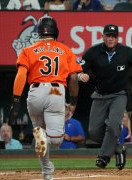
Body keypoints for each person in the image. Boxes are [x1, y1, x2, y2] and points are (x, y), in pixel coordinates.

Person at [8, 15, 82, 180]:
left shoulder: (27, 50)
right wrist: (74, 99)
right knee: (55, 140)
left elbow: (20, 75)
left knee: (39, 134)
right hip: (55, 92)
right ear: (55, 31)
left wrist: (15, 100)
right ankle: (46, 139)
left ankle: (47, 172)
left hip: (34, 93)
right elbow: (73, 78)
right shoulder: (65, 49)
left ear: (38, 32)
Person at [78, 23, 132, 170]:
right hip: (100, 95)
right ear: (103, 36)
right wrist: (80, 75)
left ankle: (103, 157)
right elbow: (77, 70)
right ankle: (118, 148)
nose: (110, 39)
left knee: (114, 124)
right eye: (108, 36)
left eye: (113, 36)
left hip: (119, 94)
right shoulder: (92, 52)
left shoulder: (127, 52)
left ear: (118, 38)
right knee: (94, 132)